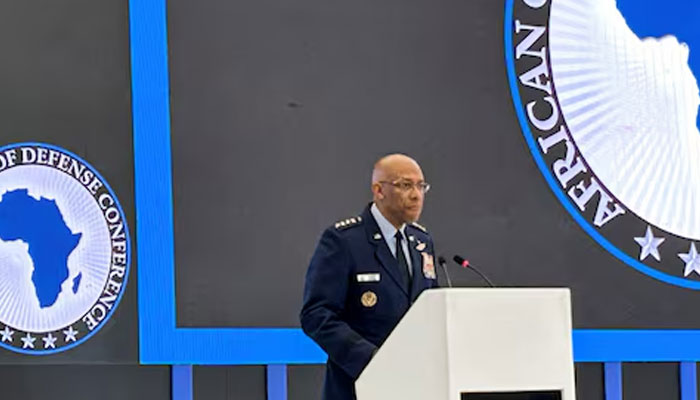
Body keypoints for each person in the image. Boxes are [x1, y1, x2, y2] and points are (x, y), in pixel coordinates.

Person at [300, 153, 439, 400]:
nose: (417, 195)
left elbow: (430, 309)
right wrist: (371, 358)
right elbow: (316, 314)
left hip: (416, 386)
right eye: (405, 185)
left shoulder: (422, 242)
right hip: (358, 386)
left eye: (421, 186)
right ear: (379, 190)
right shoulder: (344, 241)